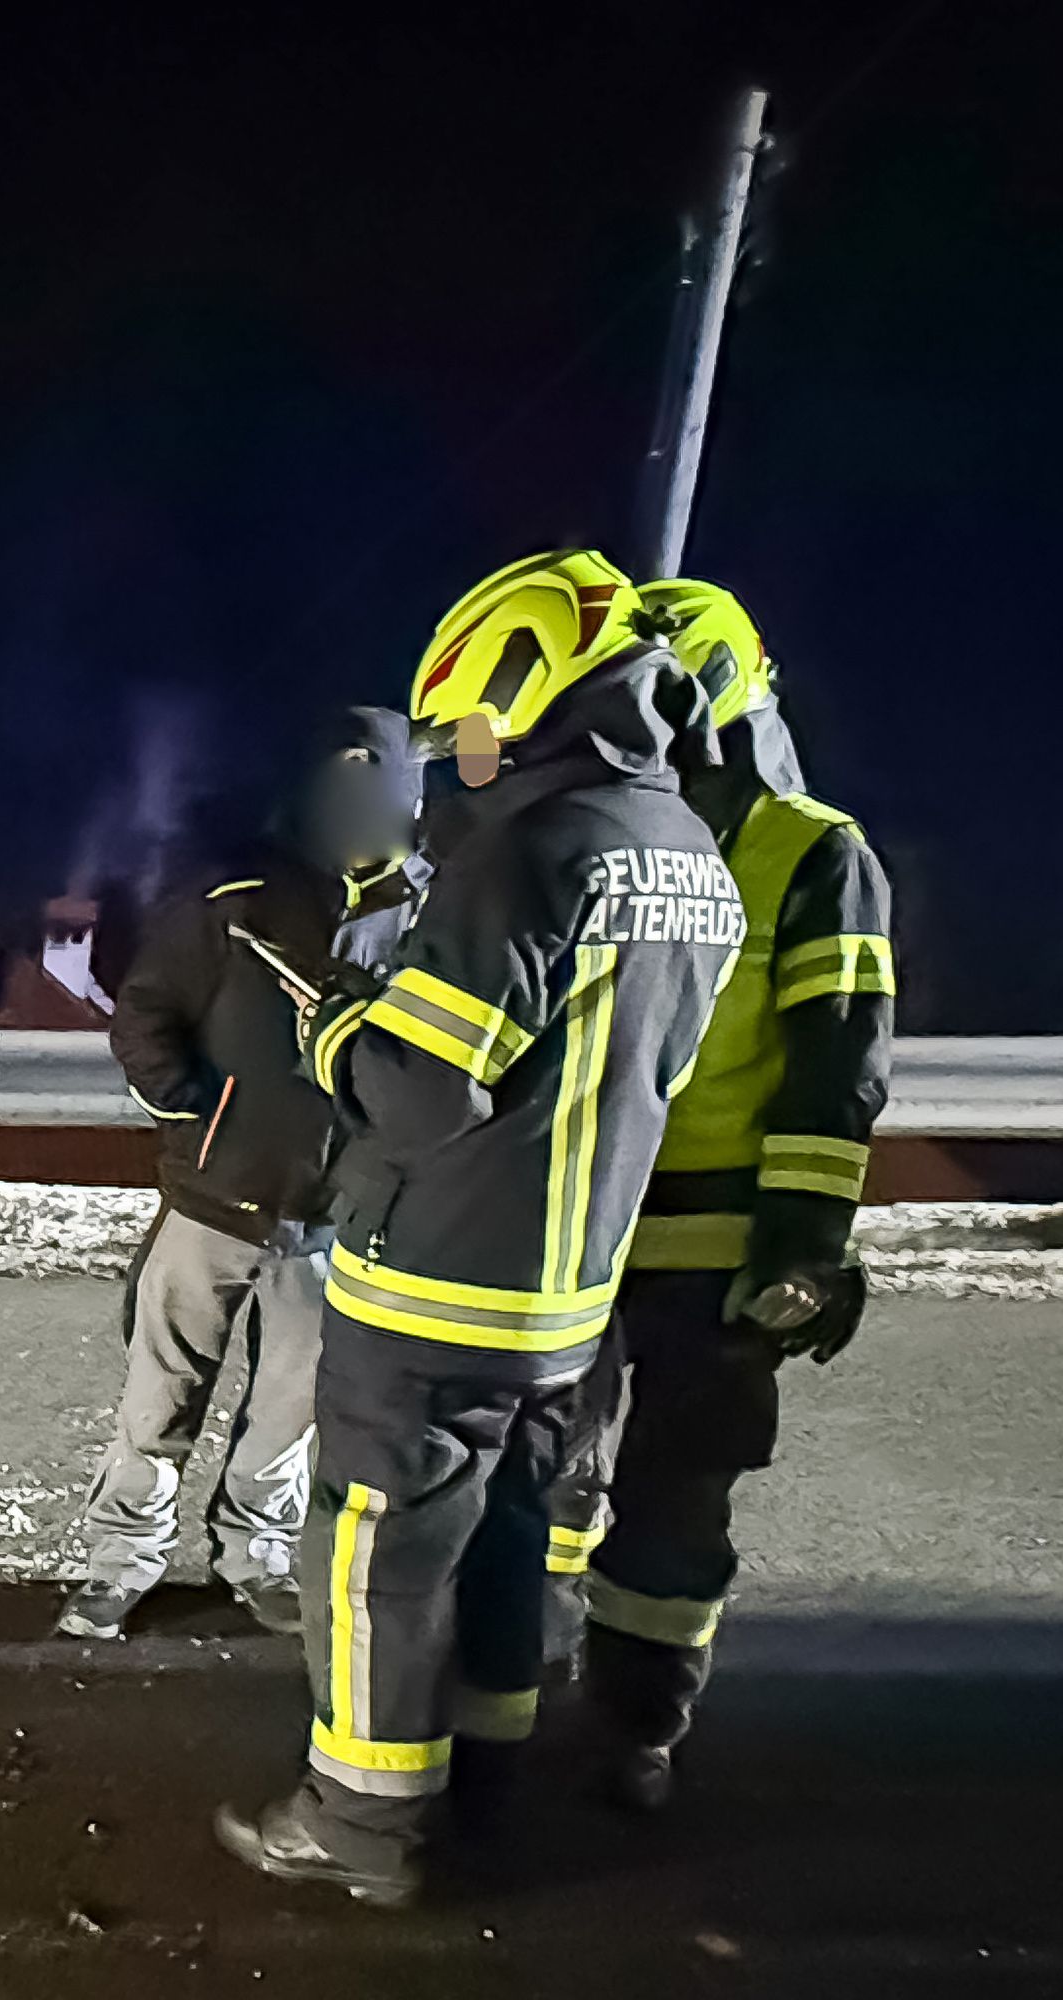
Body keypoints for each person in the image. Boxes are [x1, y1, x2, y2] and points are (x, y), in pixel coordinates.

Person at [214, 549, 742, 1907]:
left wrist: (341, 1033)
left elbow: (419, 1091)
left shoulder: (528, 851)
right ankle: (488, 1772)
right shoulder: (692, 852)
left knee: (374, 1553)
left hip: (439, 1272)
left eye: (467, 727)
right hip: (570, 1292)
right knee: (508, 1531)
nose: (461, 755)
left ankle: (361, 1821)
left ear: (527, 685)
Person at [544, 580, 894, 1811]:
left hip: (714, 1237)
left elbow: (838, 1062)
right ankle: (521, 1686)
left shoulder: (814, 851)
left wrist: (803, 1241)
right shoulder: (593, 828)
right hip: (579, 1218)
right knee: (540, 1475)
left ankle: (633, 1725)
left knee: (679, 1492)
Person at [60, 709, 426, 1641]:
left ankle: (256, 1558)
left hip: (336, 1217)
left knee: (290, 1412)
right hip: (212, 1204)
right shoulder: (235, 897)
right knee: (159, 1399)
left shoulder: (429, 917)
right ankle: (120, 1562)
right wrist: (197, 1118)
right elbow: (144, 1013)